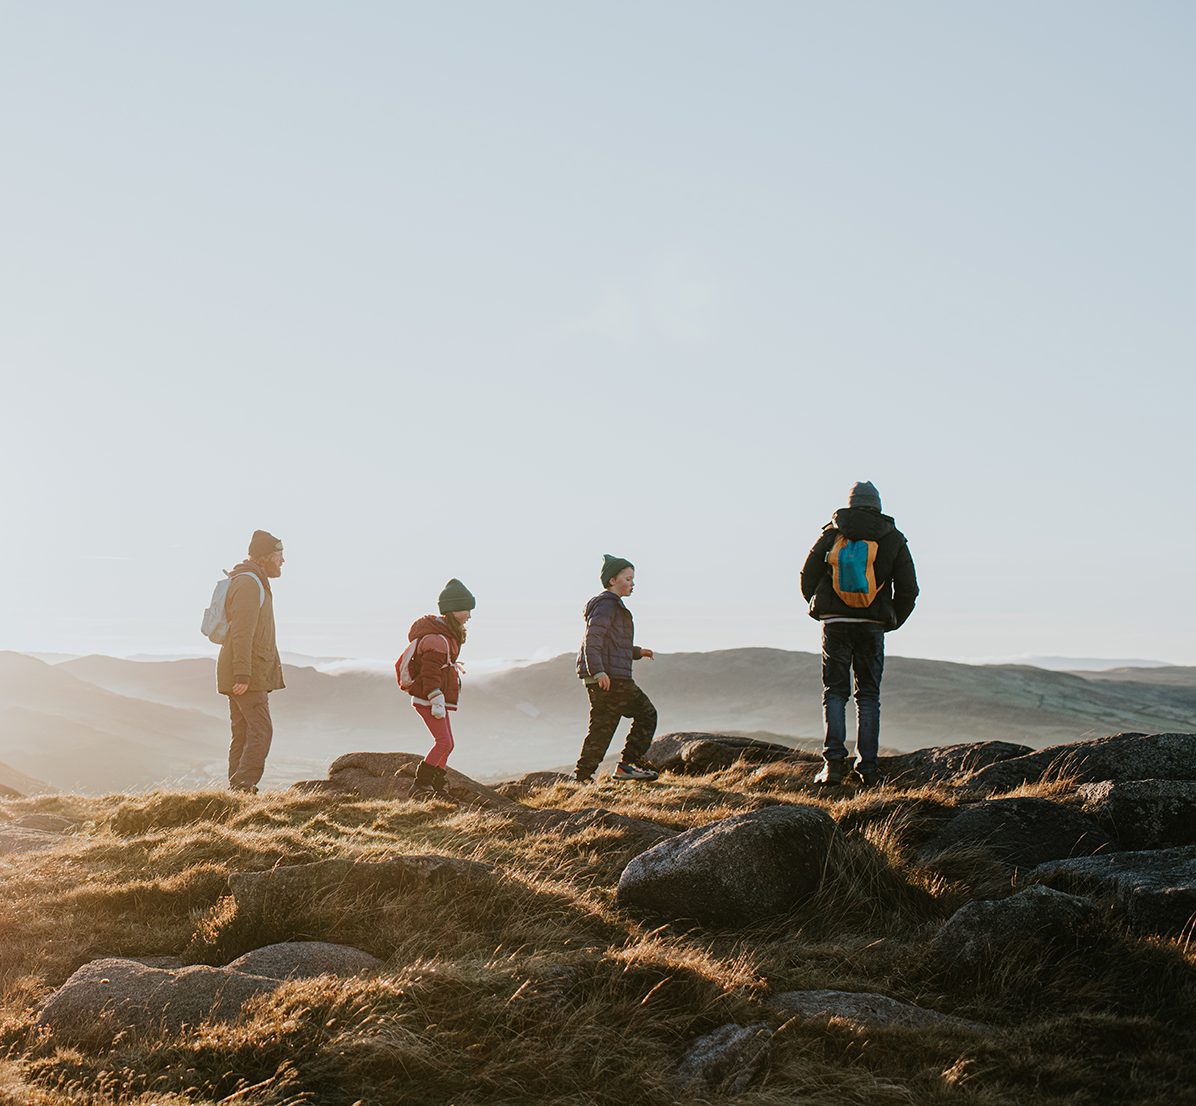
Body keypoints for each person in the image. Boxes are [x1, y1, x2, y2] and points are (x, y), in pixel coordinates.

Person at [800, 482, 919, 787]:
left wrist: (821, 606)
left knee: (835, 693)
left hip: (835, 622)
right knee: (868, 695)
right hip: (871, 624)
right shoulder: (893, 538)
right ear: (877, 505)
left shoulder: (832, 534)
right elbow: (909, 589)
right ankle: (867, 767)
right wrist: (890, 619)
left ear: (851, 504)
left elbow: (807, 575)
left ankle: (833, 767)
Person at [574, 554, 660, 783]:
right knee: (646, 714)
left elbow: (614, 645)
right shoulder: (606, 605)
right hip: (611, 677)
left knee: (603, 727)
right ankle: (629, 765)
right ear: (613, 580)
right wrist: (598, 671)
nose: (632, 583)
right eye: (628, 578)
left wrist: (637, 652)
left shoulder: (609, 606)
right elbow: (593, 639)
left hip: (605, 676)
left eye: (633, 579)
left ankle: (582, 776)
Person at [217, 529, 286, 794]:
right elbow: (242, 633)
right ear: (266, 556)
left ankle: (237, 790)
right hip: (246, 673)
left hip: (246, 671)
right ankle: (244, 786)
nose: (282, 561)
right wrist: (243, 675)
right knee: (261, 731)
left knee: (244, 732)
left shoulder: (253, 581)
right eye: (279, 555)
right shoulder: (249, 584)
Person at [400, 578, 476, 798]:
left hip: (435, 698)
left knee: (448, 744)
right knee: (444, 742)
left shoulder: (446, 636)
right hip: (429, 699)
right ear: (453, 610)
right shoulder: (436, 640)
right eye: (466, 610)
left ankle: (438, 785)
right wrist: (436, 698)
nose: (469, 615)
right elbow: (430, 674)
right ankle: (421, 784)